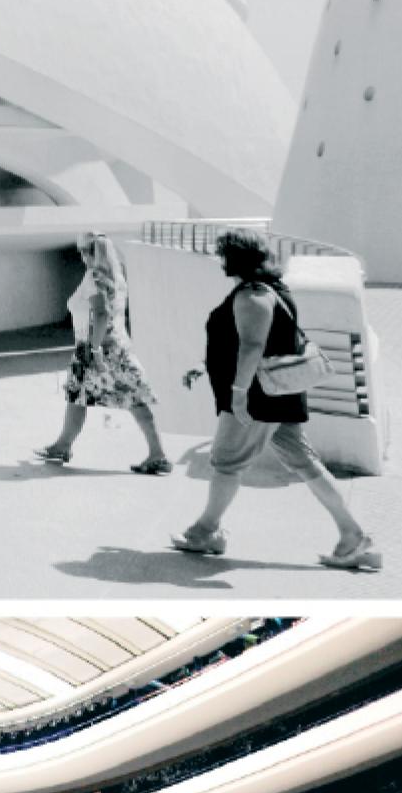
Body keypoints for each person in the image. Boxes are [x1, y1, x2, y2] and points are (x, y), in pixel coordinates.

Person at [170, 229, 380, 571]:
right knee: (305, 464)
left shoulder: (252, 295)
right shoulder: (272, 290)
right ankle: (353, 537)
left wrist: (238, 395)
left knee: (226, 463)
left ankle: (205, 532)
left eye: (222, 254)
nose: (218, 260)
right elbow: (254, 344)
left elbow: (253, 346)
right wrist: (203, 365)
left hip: (256, 399)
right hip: (276, 396)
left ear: (234, 258)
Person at [35, 233, 171, 473]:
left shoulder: (93, 277)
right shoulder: (118, 278)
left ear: (91, 253)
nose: (81, 256)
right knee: (129, 398)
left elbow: (101, 314)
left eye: (83, 251)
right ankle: (63, 445)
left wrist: (94, 349)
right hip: (119, 347)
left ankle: (63, 446)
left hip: (94, 348)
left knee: (79, 397)